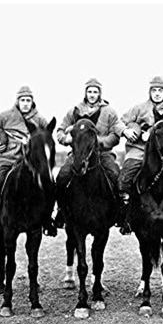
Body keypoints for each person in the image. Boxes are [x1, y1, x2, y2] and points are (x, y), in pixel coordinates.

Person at [117, 76, 163, 235]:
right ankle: (126, 218)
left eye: (160, 90)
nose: (157, 93)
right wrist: (129, 130)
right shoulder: (139, 108)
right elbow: (121, 122)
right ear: (150, 92)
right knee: (124, 179)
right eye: (154, 90)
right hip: (139, 150)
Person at [55, 78, 124, 228]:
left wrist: (101, 142)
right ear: (85, 93)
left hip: (103, 154)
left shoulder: (109, 111)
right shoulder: (74, 110)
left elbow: (115, 133)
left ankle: (119, 212)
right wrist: (65, 139)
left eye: (95, 91)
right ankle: (61, 212)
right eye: (89, 91)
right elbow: (60, 131)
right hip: (78, 154)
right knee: (62, 176)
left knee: (116, 175)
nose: (92, 94)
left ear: (100, 93)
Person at [0, 86, 50, 235]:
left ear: (32, 102)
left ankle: (47, 220)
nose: (25, 103)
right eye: (22, 100)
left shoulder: (40, 120)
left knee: (49, 184)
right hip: (7, 161)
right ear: (17, 101)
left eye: (28, 100)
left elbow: (47, 139)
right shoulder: (5, 116)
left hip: (30, 165)